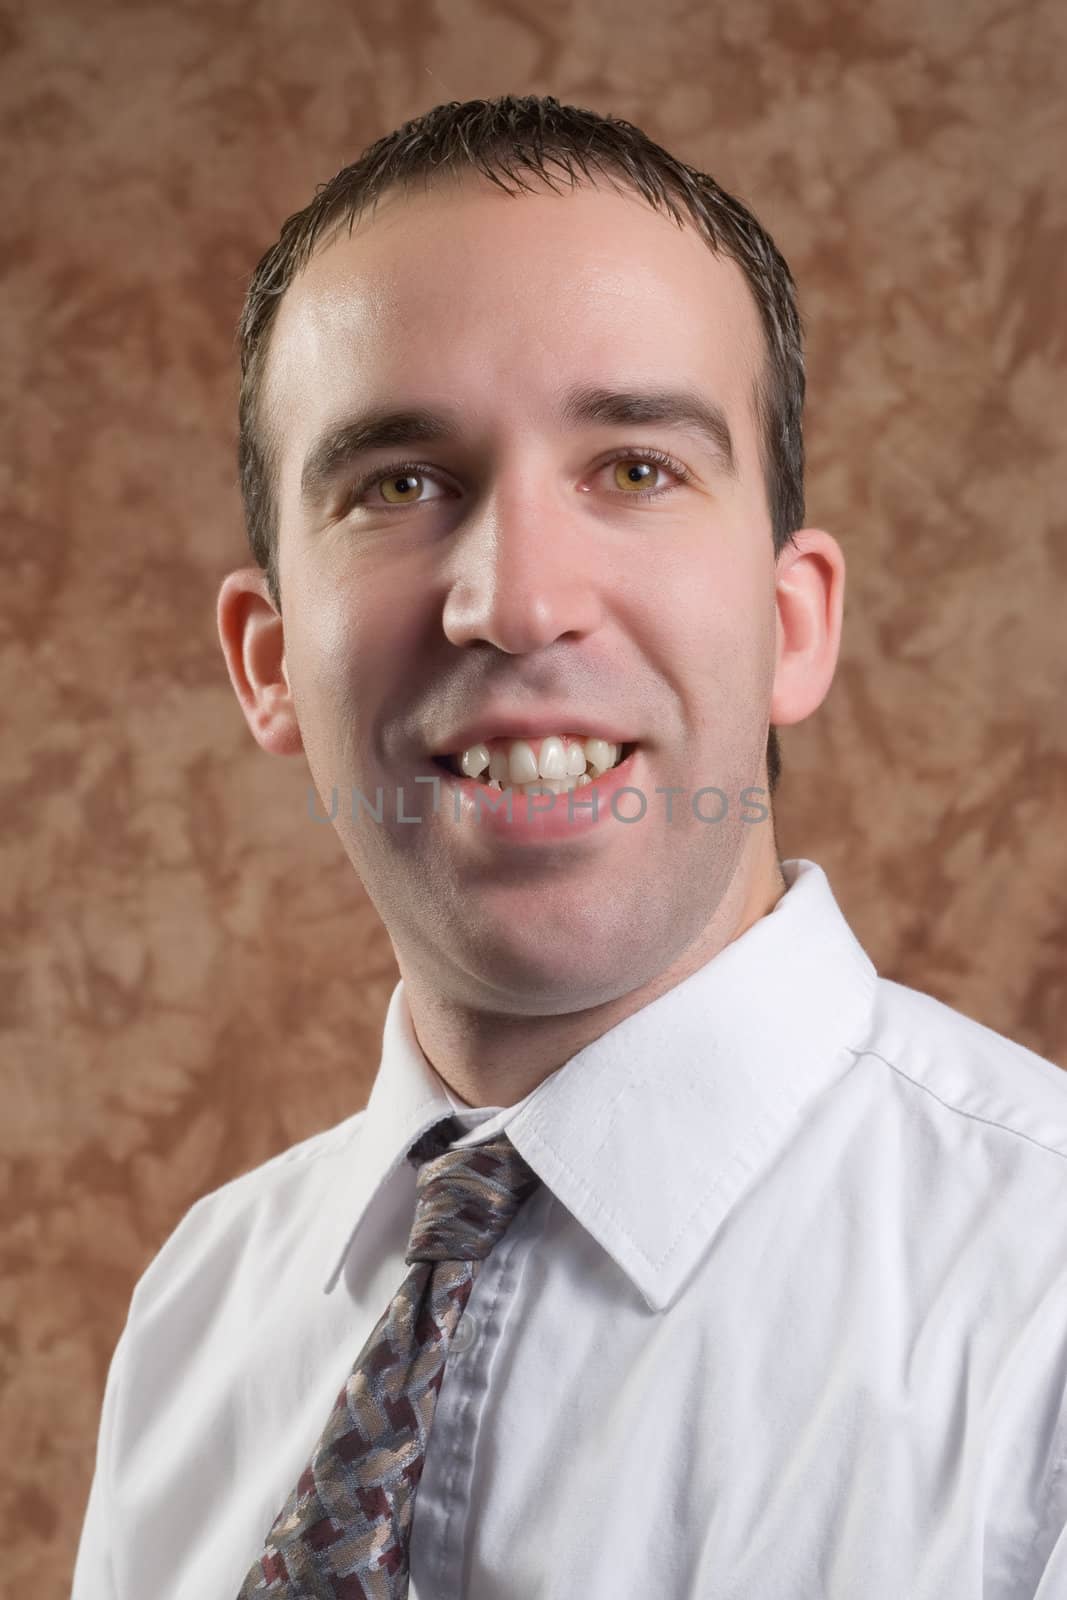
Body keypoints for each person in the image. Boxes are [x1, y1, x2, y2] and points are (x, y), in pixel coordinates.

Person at [72, 94, 1067, 1599]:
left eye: (635, 469)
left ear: (792, 626)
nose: (519, 600)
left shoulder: (1042, 1309)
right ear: (268, 662)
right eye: (399, 484)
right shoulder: (198, 1314)